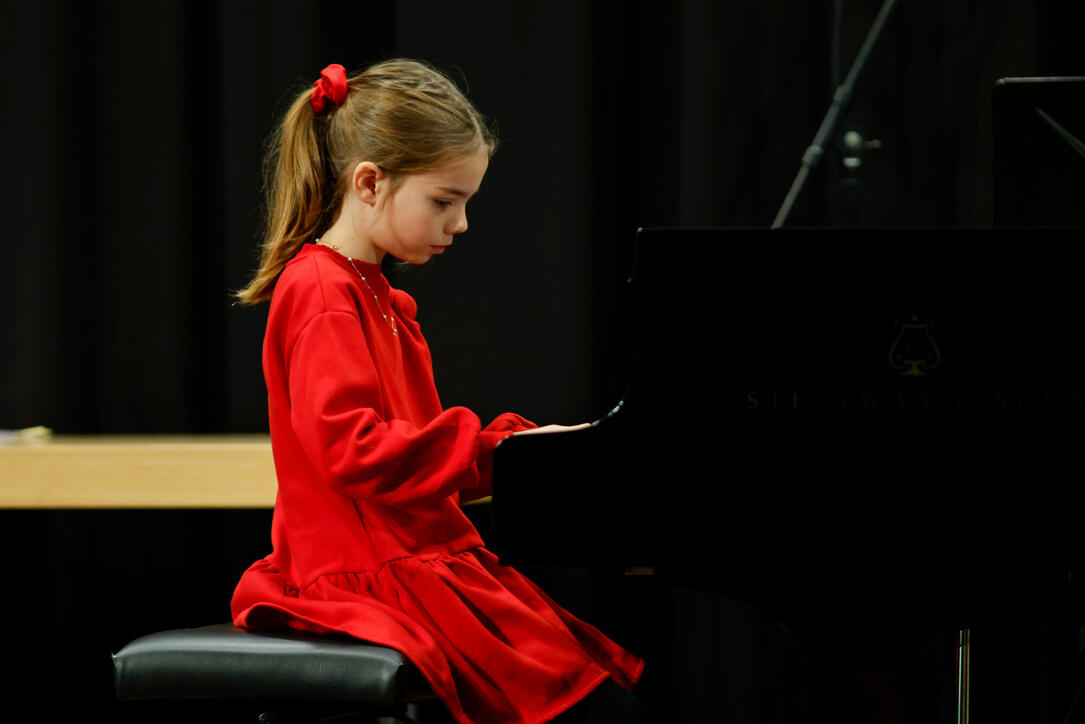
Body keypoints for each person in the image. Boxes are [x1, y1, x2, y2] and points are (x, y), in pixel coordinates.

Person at [231, 60, 645, 724]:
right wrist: (498, 453)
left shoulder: (377, 297)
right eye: (444, 201)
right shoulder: (321, 290)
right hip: (369, 571)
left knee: (593, 692)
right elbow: (353, 451)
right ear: (369, 182)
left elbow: (416, 459)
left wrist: (519, 452)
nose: (459, 224)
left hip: (414, 552)